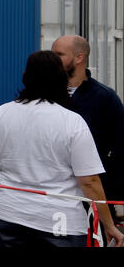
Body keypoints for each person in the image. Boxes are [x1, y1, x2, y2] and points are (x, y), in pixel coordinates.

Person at [0, 50, 124, 247]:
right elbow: (89, 181)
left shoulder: (1, 114)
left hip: (6, 215)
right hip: (59, 222)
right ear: (62, 80)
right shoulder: (73, 122)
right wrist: (108, 224)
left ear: (26, 78)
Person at [52, 36, 124, 228]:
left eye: (58, 54)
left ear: (79, 57)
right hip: (50, 195)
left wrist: (113, 201)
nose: (52, 59)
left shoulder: (105, 98)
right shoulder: (44, 95)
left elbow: (119, 149)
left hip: (90, 197)